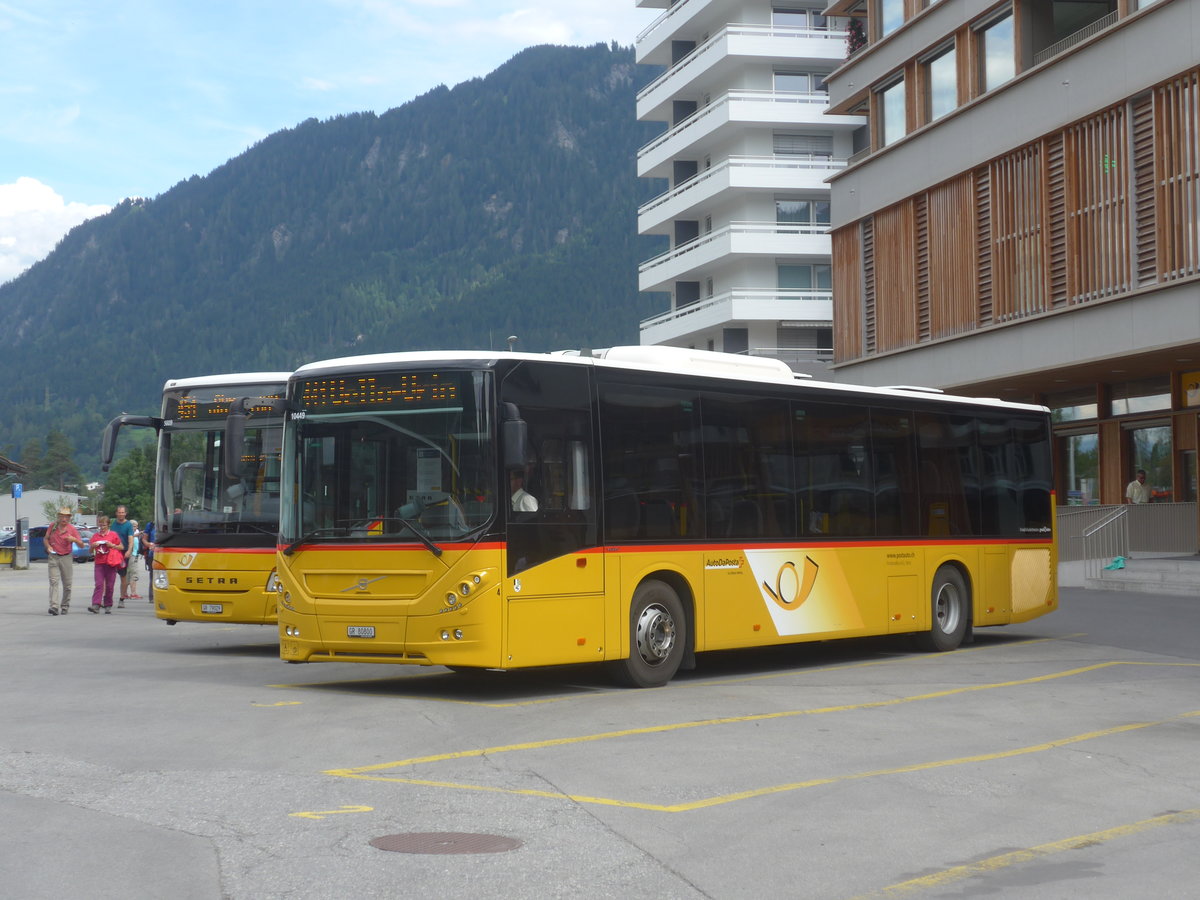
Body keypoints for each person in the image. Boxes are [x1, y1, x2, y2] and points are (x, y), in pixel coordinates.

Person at [44, 506, 85, 615]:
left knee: (67, 584)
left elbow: (81, 545)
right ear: (58, 517)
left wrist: (74, 539)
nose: (64, 519)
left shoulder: (72, 529)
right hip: (54, 556)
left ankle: (65, 605)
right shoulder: (53, 526)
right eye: (62, 516)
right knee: (53, 581)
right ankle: (54, 606)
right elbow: (46, 538)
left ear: (69, 518)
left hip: (66, 556)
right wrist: (48, 546)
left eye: (66, 517)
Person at [88, 516, 124, 613]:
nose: (102, 527)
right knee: (99, 584)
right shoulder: (96, 536)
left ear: (108, 525)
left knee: (109, 585)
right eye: (100, 525)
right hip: (99, 563)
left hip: (110, 563)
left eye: (104, 525)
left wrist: (112, 545)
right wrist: (93, 546)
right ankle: (96, 604)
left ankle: (108, 604)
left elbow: (121, 547)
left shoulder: (113, 534)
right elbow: (90, 551)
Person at [110, 505, 135, 607]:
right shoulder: (113, 524)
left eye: (122, 512)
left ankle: (121, 598)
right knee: (109, 576)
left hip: (123, 553)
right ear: (116, 513)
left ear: (125, 513)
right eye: (119, 512)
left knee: (123, 576)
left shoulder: (128, 525)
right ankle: (106, 599)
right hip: (113, 551)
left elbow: (131, 539)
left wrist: (129, 550)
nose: (121, 514)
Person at [126, 520, 142, 600]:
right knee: (133, 574)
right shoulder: (129, 533)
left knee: (129, 574)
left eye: (136, 526)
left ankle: (125, 593)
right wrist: (138, 534)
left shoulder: (136, 532)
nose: (136, 527)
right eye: (134, 526)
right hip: (132, 555)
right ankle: (133, 593)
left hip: (134, 554)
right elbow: (132, 536)